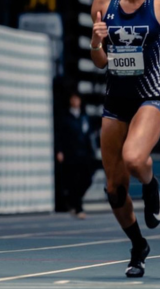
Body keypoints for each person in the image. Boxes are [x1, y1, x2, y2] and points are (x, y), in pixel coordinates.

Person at [89, 0, 160, 278]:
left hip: (151, 95)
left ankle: (150, 184)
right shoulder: (102, 2)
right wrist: (97, 40)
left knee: (135, 159)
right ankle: (138, 246)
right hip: (116, 101)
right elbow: (99, 62)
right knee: (114, 189)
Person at [56, 91, 97, 220]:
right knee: (73, 180)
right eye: (73, 99)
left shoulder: (84, 117)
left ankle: (73, 200)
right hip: (71, 153)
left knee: (87, 179)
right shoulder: (65, 117)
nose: (75, 101)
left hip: (84, 153)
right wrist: (59, 150)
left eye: (77, 99)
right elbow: (59, 136)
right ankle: (78, 207)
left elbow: (89, 135)